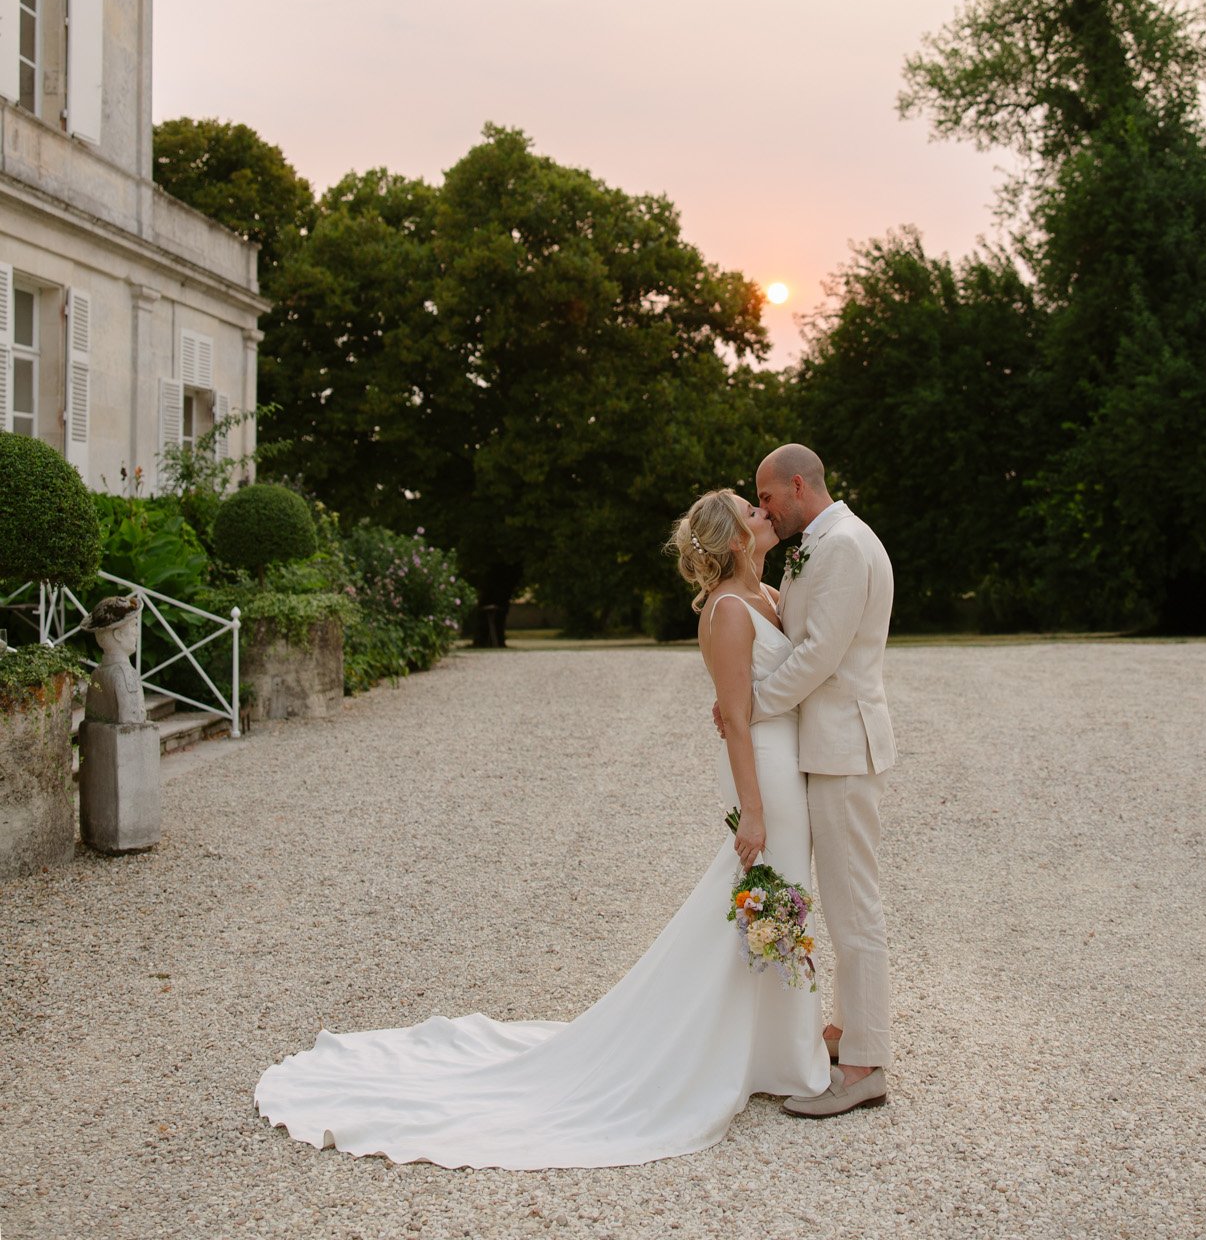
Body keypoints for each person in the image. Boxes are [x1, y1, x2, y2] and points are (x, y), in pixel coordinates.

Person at [254, 488, 827, 1169]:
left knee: (771, 893)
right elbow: (734, 718)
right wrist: (753, 809)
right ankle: (759, 1055)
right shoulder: (729, 613)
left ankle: (770, 1048)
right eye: (749, 509)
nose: (763, 513)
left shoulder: (768, 597)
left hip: (789, 761)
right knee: (764, 889)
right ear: (734, 538)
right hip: (764, 770)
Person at [742, 443, 896, 1119]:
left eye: (767, 498)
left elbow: (817, 655)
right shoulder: (822, 541)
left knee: (852, 904)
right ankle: (848, 1031)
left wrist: (750, 707)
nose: (764, 510)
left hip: (841, 748)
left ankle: (864, 1065)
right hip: (825, 745)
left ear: (797, 485)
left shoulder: (840, 547)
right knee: (838, 898)